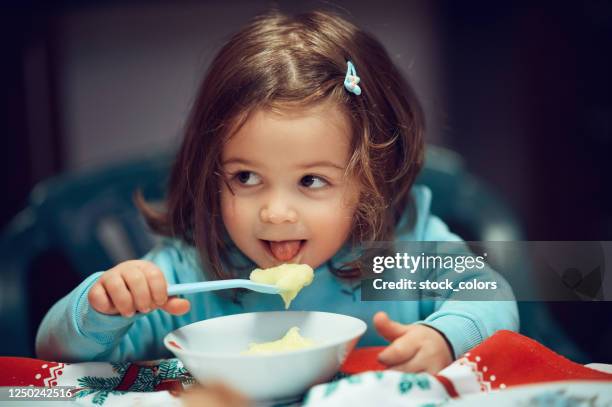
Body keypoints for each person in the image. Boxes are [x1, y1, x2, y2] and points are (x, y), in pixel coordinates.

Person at [36, 9, 518, 374]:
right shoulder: (190, 270)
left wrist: (445, 337)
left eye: (311, 181)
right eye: (246, 178)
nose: (276, 212)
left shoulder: (402, 249)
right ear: (211, 172)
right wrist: (100, 306)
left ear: (371, 179)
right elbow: (55, 355)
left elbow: (493, 296)